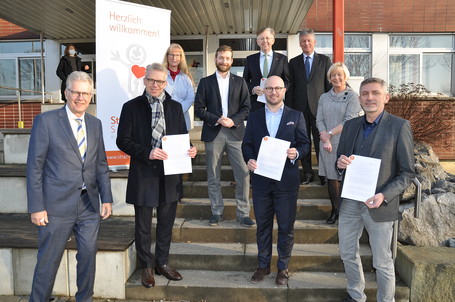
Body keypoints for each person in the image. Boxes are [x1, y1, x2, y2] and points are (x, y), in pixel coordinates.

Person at [27, 71, 113, 302]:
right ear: (66, 93)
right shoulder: (46, 122)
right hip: (55, 207)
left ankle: (84, 299)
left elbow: (101, 164)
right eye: (75, 92)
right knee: (48, 261)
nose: (80, 97)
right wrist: (37, 207)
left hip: (88, 206)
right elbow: (34, 167)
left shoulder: (95, 124)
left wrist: (106, 198)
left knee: (87, 258)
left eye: (85, 93)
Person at [116, 63, 197, 289]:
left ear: (165, 83)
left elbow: (182, 137)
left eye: (160, 81)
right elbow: (122, 140)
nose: (155, 85)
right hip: (143, 172)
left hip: (170, 174)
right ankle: (147, 267)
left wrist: (190, 149)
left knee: (166, 223)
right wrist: (147, 152)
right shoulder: (131, 107)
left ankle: (162, 262)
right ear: (144, 80)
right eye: (151, 80)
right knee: (142, 225)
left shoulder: (174, 107)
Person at [336, 78, 415, 302]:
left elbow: (407, 172)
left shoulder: (399, 126)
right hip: (351, 201)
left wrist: (384, 195)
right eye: (365, 93)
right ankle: (355, 294)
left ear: (385, 97)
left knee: (382, 260)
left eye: (375, 93)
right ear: (359, 98)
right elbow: (340, 161)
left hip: (380, 204)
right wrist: (340, 164)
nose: (370, 97)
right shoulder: (351, 126)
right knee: (347, 253)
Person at [242, 75, 310, 286]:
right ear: (264, 91)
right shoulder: (254, 117)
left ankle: (283, 267)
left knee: (286, 227)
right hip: (262, 181)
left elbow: (305, 144)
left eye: (277, 88)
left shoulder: (296, 115)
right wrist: (250, 159)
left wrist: (296, 152)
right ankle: (263, 265)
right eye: (269, 88)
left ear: (284, 90)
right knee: (262, 225)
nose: (273, 92)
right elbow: (247, 144)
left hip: (286, 183)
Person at [194, 45, 254, 227]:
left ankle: (243, 213)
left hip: (236, 133)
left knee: (243, 174)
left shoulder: (240, 81)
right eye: (221, 58)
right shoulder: (205, 82)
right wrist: (217, 119)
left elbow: (246, 108)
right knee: (213, 174)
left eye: (227, 58)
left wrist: (233, 120)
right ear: (216, 59)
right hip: (214, 132)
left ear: (232, 60)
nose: (224, 61)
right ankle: (217, 211)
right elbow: (198, 109)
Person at [316, 63, 362, 224]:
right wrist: (326, 138)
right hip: (327, 144)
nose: (336, 78)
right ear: (329, 78)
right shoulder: (324, 97)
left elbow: (349, 120)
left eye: (339, 75)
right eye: (333, 75)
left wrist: (328, 134)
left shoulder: (352, 96)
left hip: (346, 142)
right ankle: (335, 211)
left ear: (345, 76)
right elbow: (319, 119)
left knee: (345, 178)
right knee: (331, 179)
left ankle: (345, 213)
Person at [288, 29, 332, 185]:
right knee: (303, 141)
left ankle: (323, 173)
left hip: (319, 109)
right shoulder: (293, 63)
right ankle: (307, 173)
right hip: (299, 110)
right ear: (299, 43)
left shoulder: (325, 61)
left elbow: (329, 86)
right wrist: (291, 110)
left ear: (314, 42)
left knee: (322, 141)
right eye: (303, 41)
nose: (306, 43)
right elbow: (290, 87)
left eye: (308, 40)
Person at [243, 27, 290, 112]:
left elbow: (288, 81)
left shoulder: (282, 59)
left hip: (276, 103)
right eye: (261, 38)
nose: (265, 41)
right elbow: (244, 81)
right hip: (256, 105)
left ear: (273, 40)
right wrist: (253, 89)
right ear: (257, 42)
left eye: (267, 38)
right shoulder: (250, 59)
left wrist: (280, 91)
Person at [162, 43, 195, 130]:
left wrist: (178, 110)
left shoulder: (186, 78)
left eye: (177, 55)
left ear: (181, 58)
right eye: (171, 55)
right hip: (163, 119)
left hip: (182, 119)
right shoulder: (161, 75)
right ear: (167, 56)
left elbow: (190, 98)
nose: (174, 58)